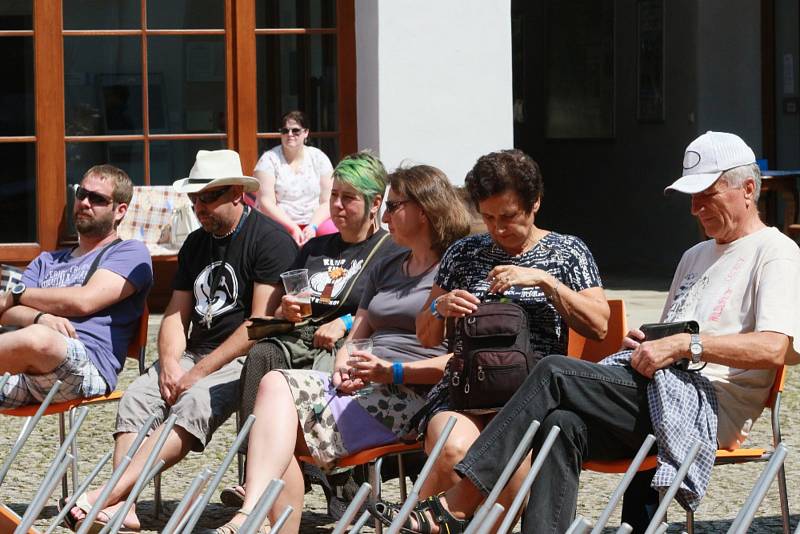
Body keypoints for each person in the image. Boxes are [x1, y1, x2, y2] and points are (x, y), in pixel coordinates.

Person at [371, 131, 800, 534]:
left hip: (705, 405)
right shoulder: (694, 255)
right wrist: (650, 341)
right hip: (660, 391)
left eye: (707, 196)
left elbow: (779, 347)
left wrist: (686, 344)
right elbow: (670, 336)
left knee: (556, 372)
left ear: (748, 189)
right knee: (561, 423)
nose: (695, 209)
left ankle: (456, 505)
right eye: (691, 198)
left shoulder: (775, 252)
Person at [216, 164, 471, 534]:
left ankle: (251, 518)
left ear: (424, 210)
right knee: (273, 384)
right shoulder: (388, 266)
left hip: (413, 392)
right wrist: (343, 366)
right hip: (363, 383)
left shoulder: (454, 272)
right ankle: (250, 515)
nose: (385, 216)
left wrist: (390, 371)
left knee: (277, 438)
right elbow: (358, 336)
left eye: (393, 206)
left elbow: (457, 360)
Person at [65, 149, 298, 532]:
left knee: (194, 403)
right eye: (194, 198)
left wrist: (197, 373)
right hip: (196, 354)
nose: (199, 206)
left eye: (208, 197)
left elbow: (258, 325)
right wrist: (172, 364)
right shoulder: (195, 243)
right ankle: (126, 508)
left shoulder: (270, 240)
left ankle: (108, 495)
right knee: (139, 396)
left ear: (238, 193)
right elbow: (175, 313)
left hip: (248, 359)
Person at [412, 149, 609, 519]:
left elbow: (599, 326)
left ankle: (421, 519)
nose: (498, 229)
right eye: (487, 217)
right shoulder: (463, 253)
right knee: (451, 449)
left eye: (508, 217)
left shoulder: (567, 253)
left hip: (532, 398)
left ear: (535, 203)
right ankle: (421, 521)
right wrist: (441, 307)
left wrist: (547, 282)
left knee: (514, 480)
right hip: (465, 393)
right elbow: (424, 335)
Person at [219, 150, 399, 510]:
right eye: (334, 196)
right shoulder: (315, 247)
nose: (337, 205)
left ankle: (330, 473)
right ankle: (254, 473)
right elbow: (291, 300)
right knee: (262, 354)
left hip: (354, 342)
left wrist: (345, 322)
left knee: (326, 366)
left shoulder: (388, 250)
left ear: (375, 202)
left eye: (348, 198)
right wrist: (285, 307)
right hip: (302, 336)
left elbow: (389, 308)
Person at [0, 164, 152, 409]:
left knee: (40, 340)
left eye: (97, 199)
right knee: (37, 336)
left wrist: (19, 294)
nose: (84, 202)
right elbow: (8, 313)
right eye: (81, 194)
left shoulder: (130, 253)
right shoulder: (46, 261)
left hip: (86, 365)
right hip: (25, 371)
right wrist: (40, 317)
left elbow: (84, 301)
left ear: (119, 211)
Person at [254, 110, 335, 246]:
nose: (290, 135)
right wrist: (292, 227)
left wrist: (313, 226)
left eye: (296, 130)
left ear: (306, 133)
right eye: (285, 131)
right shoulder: (268, 160)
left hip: (315, 221)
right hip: (279, 221)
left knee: (332, 233)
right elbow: (266, 202)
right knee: (278, 239)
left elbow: (328, 200)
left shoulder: (319, 158)